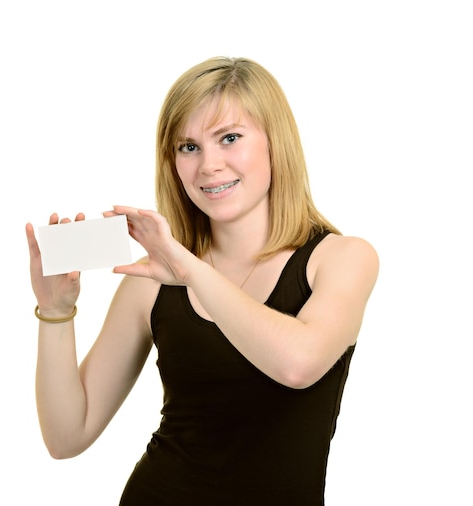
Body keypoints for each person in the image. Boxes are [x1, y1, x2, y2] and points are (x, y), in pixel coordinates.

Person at [25, 56, 379, 505]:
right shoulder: (150, 283)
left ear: (275, 142)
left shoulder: (342, 258)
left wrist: (191, 271)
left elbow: (298, 365)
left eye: (229, 138)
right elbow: (66, 437)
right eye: (188, 147)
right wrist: (55, 312)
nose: (209, 164)